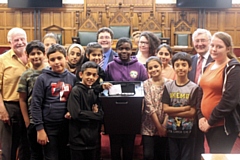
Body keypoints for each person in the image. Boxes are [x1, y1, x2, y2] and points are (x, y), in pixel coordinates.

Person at [105, 37, 148, 160]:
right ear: (116, 50)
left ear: (132, 50)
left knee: (129, 145)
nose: (124, 51)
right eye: (121, 48)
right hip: (114, 112)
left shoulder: (139, 66)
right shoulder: (110, 66)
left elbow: (144, 86)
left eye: (127, 49)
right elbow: (105, 87)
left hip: (132, 112)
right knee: (115, 145)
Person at [31, 44, 76, 160]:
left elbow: (76, 101)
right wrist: (40, 129)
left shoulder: (73, 78)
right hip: (48, 127)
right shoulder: (42, 79)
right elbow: (35, 104)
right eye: (52, 59)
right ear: (48, 61)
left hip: (67, 127)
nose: (56, 62)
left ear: (66, 58)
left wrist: (72, 111)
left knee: (66, 156)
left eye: (59, 58)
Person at [198, 32, 240, 153]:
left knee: (218, 155)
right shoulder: (208, 66)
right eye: (212, 45)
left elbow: (229, 100)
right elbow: (201, 92)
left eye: (219, 46)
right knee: (212, 154)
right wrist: (200, 116)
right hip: (207, 122)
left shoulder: (234, 68)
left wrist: (210, 121)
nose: (214, 49)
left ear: (228, 49)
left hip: (222, 125)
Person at [67, 61, 111, 160]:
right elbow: (76, 114)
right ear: (81, 74)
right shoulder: (76, 91)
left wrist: (96, 115)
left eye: (94, 75)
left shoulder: (94, 92)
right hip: (78, 140)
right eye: (88, 74)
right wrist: (95, 114)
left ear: (97, 77)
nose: (91, 77)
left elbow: (101, 114)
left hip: (93, 140)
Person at [0, 27, 30, 160]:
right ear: (9, 42)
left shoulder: (33, 56)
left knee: (27, 143)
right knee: (10, 146)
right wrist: (2, 110)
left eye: (22, 39)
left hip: (30, 107)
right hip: (10, 107)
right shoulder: (2, 60)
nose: (20, 42)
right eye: (16, 40)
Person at [162, 52, 198, 160]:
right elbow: (166, 109)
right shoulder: (168, 86)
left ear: (190, 67)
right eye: (177, 65)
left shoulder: (194, 88)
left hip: (188, 131)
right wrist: (184, 108)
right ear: (173, 67)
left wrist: (173, 110)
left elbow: (192, 112)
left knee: (186, 157)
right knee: (173, 157)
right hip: (172, 130)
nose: (180, 68)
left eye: (184, 65)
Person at [17, 40, 46, 160]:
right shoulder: (26, 75)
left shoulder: (50, 72)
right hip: (33, 120)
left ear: (44, 54)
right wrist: (27, 121)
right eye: (32, 54)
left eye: (38, 53)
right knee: (35, 153)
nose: (36, 56)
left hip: (49, 119)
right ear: (28, 56)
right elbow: (22, 99)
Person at [188, 28, 212, 160]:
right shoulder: (191, 60)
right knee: (195, 143)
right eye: (197, 41)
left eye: (203, 40)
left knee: (214, 145)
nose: (200, 44)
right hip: (193, 106)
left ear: (209, 42)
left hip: (209, 106)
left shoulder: (215, 61)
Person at [141, 56, 171, 160]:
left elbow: (170, 105)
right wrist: (159, 126)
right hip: (149, 125)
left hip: (165, 124)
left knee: (162, 154)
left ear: (162, 66)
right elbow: (149, 106)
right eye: (150, 68)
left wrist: (164, 126)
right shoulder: (145, 84)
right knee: (148, 155)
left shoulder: (170, 84)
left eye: (156, 66)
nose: (154, 70)